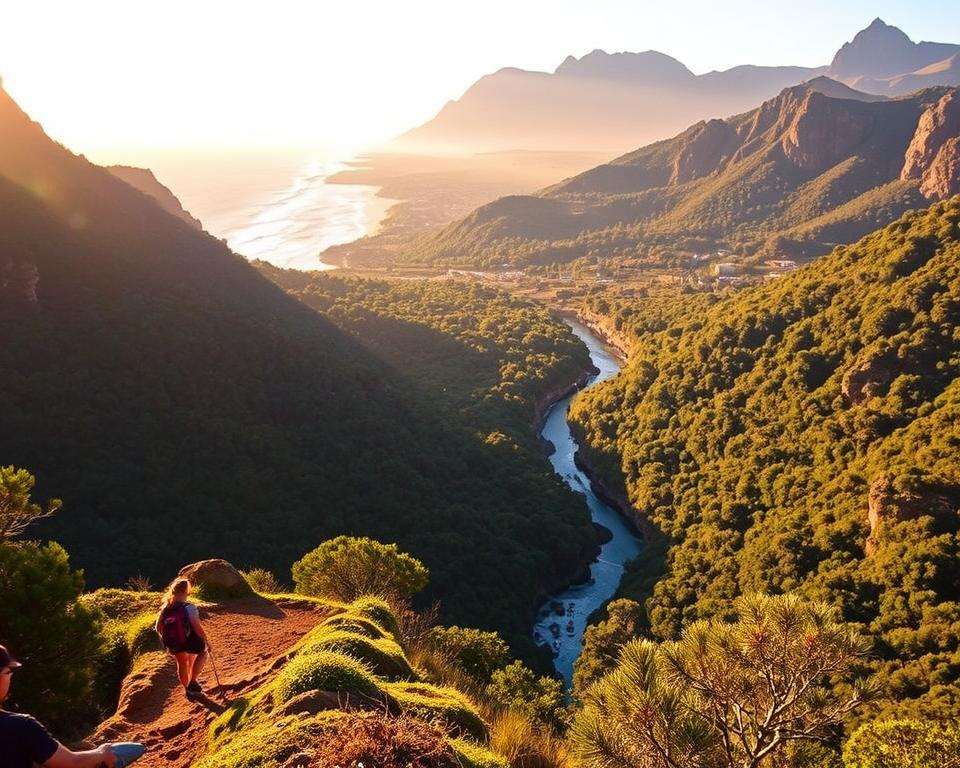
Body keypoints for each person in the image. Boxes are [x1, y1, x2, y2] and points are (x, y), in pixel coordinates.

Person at [0, 644, 116, 768]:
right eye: (8, 672)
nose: (11, 676)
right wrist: (102, 752)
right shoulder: (21, 726)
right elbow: (73, 763)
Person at [155, 578, 209, 701]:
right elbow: (196, 626)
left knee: (182, 663)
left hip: (174, 643)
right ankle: (193, 682)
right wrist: (206, 640)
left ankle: (187, 689)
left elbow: (158, 627)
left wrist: (169, 639)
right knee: (203, 652)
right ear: (186, 591)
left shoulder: (165, 608)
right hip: (189, 640)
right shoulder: (189, 607)